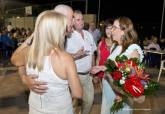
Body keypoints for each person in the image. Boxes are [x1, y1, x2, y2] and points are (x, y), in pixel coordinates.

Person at [11, 4, 80, 94]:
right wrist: (24, 78)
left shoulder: (67, 35)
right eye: (72, 17)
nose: (74, 21)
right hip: (46, 96)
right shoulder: (40, 37)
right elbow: (17, 61)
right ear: (60, 18)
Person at [25, 10, 82, 114]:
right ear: (57, 30)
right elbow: (78, 93)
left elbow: (18, 65)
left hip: (35, 108)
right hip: (59, 109)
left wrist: (25, 78)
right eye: (63, 27)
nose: (65, 30)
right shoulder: (65, 58)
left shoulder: (30, 51)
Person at [91, 17, 144, 114]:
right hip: (109, 92)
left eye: (114, 27)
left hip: (120, 97)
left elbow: (133, 80)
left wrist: (123, 95)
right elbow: (115, 67)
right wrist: (102, 67)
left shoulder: (133, 50)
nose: (111, 30)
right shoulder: (116, 47)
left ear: (123, 31)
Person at [65, 10, 97, 114]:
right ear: (72, 21)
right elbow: (62, 58)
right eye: (78, 19)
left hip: (88, 76)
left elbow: (92, 53)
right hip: (75, 76)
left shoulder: (88, 34)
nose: (82, 22)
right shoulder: (68, 36)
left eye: (82, 19)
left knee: (89, 101)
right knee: (73, 104)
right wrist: (76, 55)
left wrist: (93, 69)